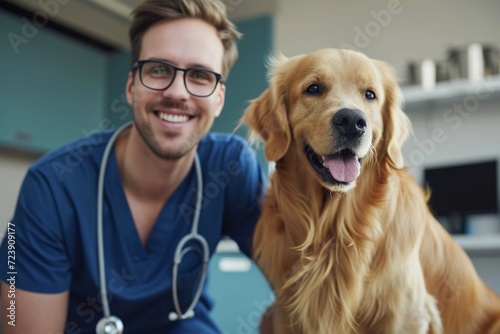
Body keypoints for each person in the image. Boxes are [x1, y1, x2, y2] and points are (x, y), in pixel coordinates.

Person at [0, 0, 269, 333]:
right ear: (131, 86)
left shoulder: (230, 168)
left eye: (200, 76)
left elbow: (303, 278)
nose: (177, 92)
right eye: (158, 69)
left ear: (219, 99)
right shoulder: (53, 185)